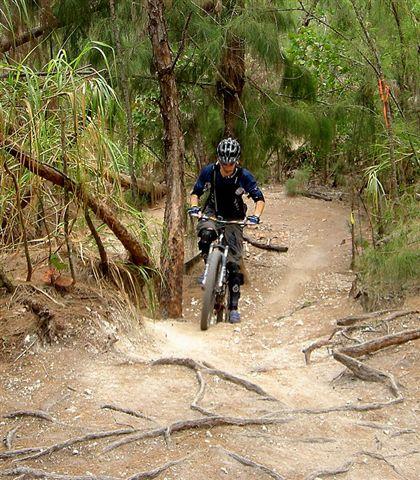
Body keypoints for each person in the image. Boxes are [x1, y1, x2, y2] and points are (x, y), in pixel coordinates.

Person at [188, 137, 265, 324]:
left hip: (235, 218)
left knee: (233, 265)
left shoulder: (244, 176)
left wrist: (255, 216)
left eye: (230, 163)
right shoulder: (210, 172)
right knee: (206, 235)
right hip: (212, 212)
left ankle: (233, 308)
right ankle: (209, 267)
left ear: (236, 160)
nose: (227, 167)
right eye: (224, 163)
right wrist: (194, 208)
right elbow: (195, 193)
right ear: (219, 160)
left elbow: (259, 199)